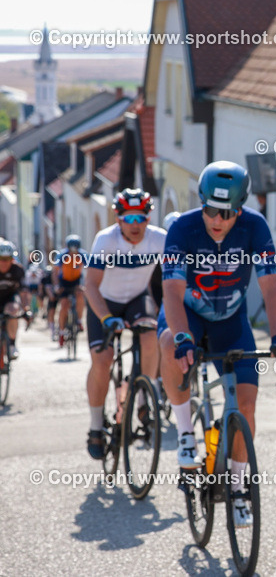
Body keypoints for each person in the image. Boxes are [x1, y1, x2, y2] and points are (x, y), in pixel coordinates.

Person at [159, 160, 276, 528]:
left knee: (246, 409)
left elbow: (270, 286)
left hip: (232, 321)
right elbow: (171, 290)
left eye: (228, 212)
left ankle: (236, 488)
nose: (217, 220)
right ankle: (185, 432)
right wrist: (184, 336)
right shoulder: (183, 229)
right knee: (170, 342)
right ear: (200, 202)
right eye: (210, 210)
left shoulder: (255, 226)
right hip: (189, 315)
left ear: (241, 208)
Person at [83, 188, 165, 460]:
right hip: (104, 302)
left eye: (140, 218)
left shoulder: (159, 239)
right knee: (103, 359)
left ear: (148, 218)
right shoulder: (106, 240)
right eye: (128, 219)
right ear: (118, 219)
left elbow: (178, 277)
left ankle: (144, 399)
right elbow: (91, 286)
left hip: (137, 299)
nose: (135, 225)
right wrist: (106, 318)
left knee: (151, 335)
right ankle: (96, 425)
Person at [54, 234, 86, 346]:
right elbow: (56, 271)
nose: (73, 252)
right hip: (64, 281)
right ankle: (62, 333)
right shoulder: (62, 255)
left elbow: (90, 269)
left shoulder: (82, 255)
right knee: (64, 305)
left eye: (75, 249)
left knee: (80, 296)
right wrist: (57, 285)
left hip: (77, 280)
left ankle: (79, 321)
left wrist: (85, 285)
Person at [0, 240, 25, 360]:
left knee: (13, 310)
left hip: (10, 296)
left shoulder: (17, 270)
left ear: (12, 259)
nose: (4, 262)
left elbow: (24, 292)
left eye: (7, 259)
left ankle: (12, 345)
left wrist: (26, 308)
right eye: (1, 258)